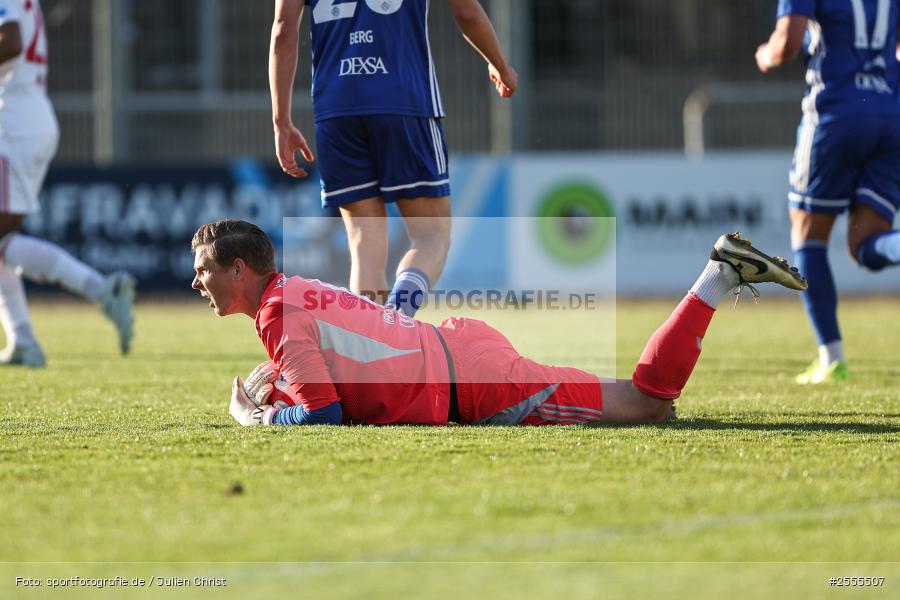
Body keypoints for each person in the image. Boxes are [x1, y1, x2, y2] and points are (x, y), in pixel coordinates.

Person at [189, 220, 807, 427]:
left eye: (204, 270)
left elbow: (324, 416)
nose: (197, 282)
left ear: (240, 269)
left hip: (475, 385)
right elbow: (344, 371)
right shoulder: (292, 292)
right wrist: (287, 385)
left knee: (646, 405)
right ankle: (721, 274)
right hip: (460, 351)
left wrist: (256, 417)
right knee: (646, 409)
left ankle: (719, 274)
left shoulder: (279, 312)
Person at [268, 0, 517, 316]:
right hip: (404, 101)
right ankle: (398, 317)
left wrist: (282, 122)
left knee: (364, 247)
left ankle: (372, 341)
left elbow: (283, 30)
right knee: (431, 235)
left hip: (337, 110)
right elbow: (466, 11)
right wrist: (501, 65)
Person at [756, 0, 900, 384]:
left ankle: (832, 359)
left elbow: (788, 42)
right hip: (891, 114)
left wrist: (766, 54)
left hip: (836, 115)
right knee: (866, 245)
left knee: (807, 235)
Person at [0, 0, 135, 367]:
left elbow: (10, 40)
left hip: (13, 125)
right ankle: (23, 339)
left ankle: (102, 290)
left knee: (2, 240)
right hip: (23, 120)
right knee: (4, 242)